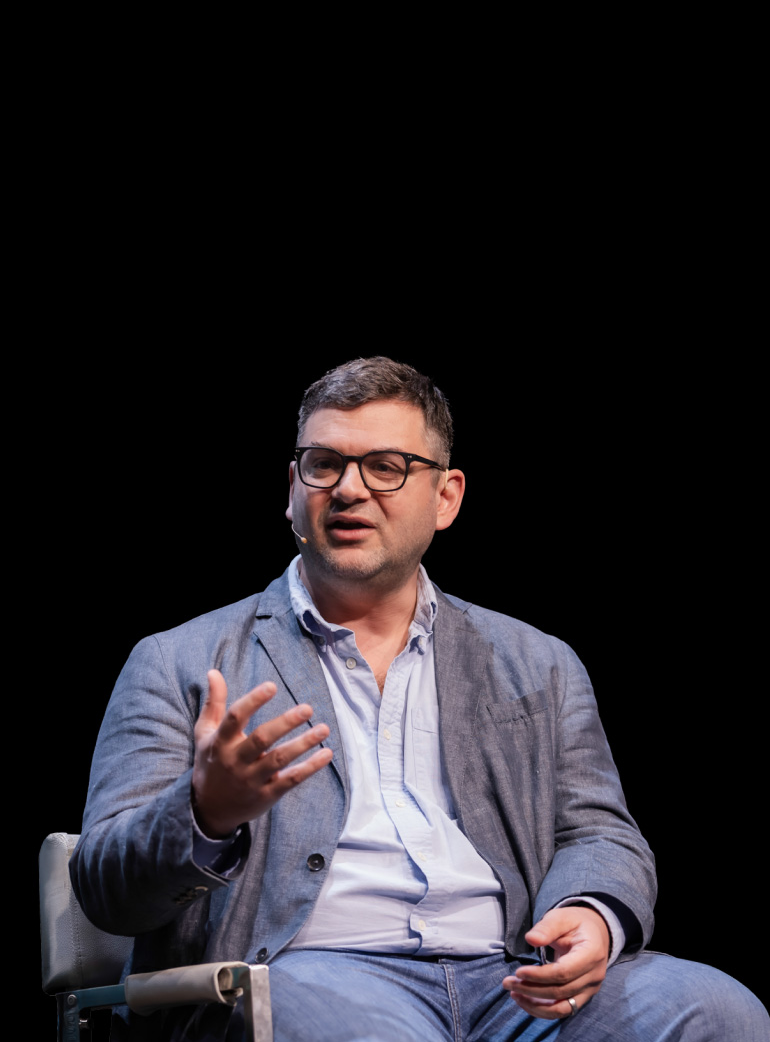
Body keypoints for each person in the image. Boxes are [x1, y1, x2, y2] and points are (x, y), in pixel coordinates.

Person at [71, 357, 768, 1042]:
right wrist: (204, 814)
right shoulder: (181, 660)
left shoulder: (536, 661)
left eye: (386, 466)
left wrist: (591, 912)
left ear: (447, 496)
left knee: (715, 1009)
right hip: (311, 977)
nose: (348, 488)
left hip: (509, 979)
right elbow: (105, 885)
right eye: (324, 463)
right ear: (292, 490)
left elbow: (598, 832)